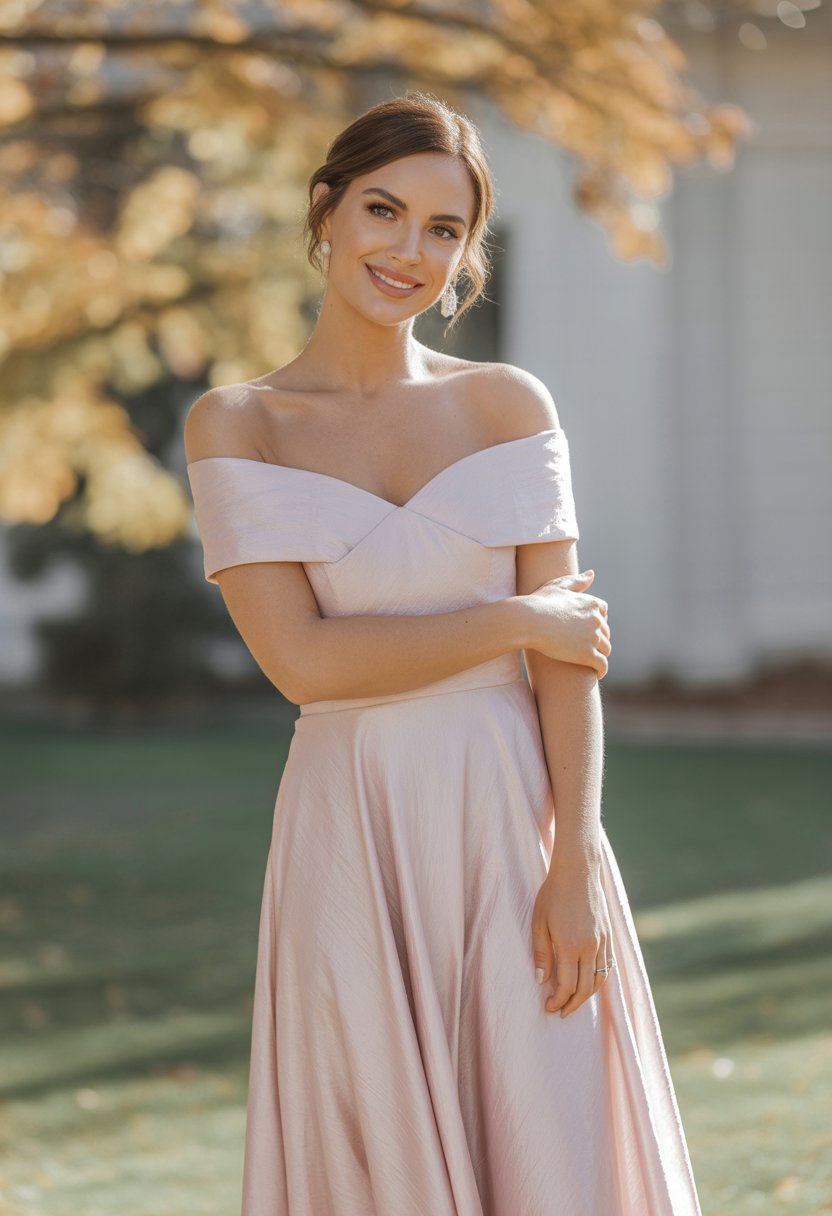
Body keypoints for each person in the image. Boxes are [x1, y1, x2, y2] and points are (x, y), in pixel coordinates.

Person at [184, 91, 701, 1216]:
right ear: (325, 211)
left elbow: (574, 667)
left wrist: (571, 864)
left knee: (552, 1138)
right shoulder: (240, 423)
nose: (406, 250)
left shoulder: (508, 405)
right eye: (382, 210)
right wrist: (516, 622)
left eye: (442, 229)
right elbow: (307, 665)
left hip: (514, 827)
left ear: (468, 251)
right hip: (352, 829)